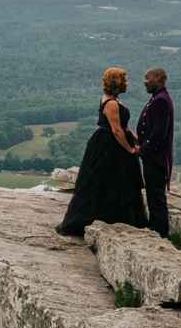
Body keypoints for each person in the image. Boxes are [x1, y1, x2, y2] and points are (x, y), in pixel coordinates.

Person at [55, 67, 147, 236]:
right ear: (117, 82)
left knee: (111, 182)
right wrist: (130, 149)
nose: (127, 83)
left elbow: (124, 127)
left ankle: (114, 219)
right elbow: (117, 130)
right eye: (124, 80)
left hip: (111, 144)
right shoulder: (111, 103)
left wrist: (136, 140)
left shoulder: (112, 100)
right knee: (104, 182)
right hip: (108, 146)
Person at [137, 67, 174, 238]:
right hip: (152, 156)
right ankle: (155, 229)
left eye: (147, 77)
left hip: (155, 158)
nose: (144, 81)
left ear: (158, 78)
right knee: (153, 195)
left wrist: (142, 150)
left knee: (156, 197)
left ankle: (159, 232)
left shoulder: (161, 100)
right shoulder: (158, 98)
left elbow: (158, 132)